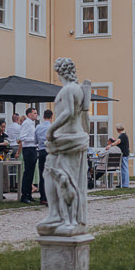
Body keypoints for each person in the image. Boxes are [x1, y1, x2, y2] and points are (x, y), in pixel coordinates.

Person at [37, 58, 90, 236]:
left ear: (59, 71)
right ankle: (56, 215)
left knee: (64, 179)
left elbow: (67, 112)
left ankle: (68, 219)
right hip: (68, 138)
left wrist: (51, 130)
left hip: (67, 139)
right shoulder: (77, 89)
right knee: (52, 173)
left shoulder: (68, 89)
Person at [17, 107, 41, 204]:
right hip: (28, 148)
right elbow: (22, 137)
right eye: (34, 113)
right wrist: (34, 139)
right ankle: (24, 195)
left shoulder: (32, 124)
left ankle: (29, 194)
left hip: (33, 148)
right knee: (27, 172)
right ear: (29, 114)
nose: (36, 115)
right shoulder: (26, 123)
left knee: (31, 172)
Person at [34, 109, 53, 204]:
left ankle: (43, 197)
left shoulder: (38, 127)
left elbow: (35, 141)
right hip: (50, 152)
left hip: (41, 151)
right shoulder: (52, 127)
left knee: (42, 174)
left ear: (43, 116)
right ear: (51, 117)